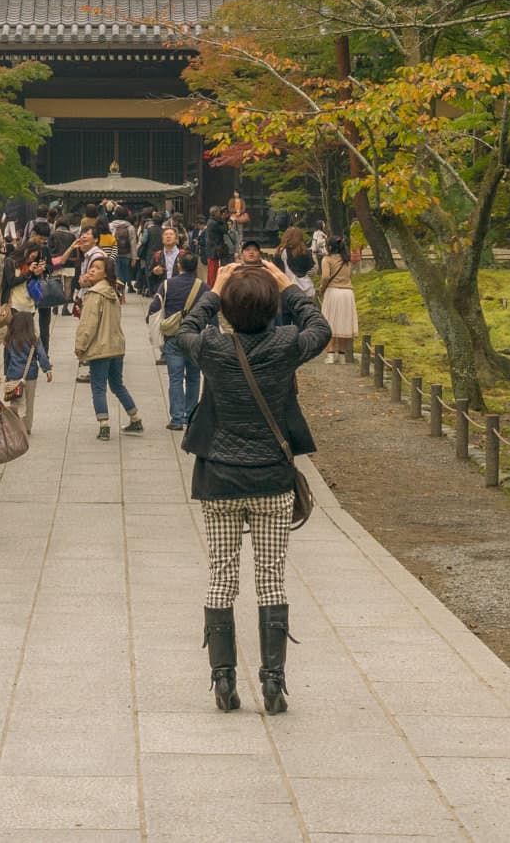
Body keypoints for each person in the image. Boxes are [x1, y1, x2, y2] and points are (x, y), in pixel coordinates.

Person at [176, 260, 329, 715]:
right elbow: (319, 326)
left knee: (221, 577)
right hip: (271, 479)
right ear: (273, 307)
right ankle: (273, 680)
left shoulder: (212, 349)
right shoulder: (285, 346)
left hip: (220, 479)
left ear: (226, 309)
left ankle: (223, 680)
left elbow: (184, 328)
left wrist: (214, 288)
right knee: (271, 578)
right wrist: (288, 286)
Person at [75, 256, 144, 440]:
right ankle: (135, 418)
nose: (92, 270)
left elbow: (88, 324)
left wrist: (80, 346)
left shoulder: (95, 294)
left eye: (97, 268)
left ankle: (104, 425)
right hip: (116, 346)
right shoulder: (112, 291)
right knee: (117, 384)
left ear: (105, 273)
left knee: (98, 387)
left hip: (100, 347)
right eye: (91, 267)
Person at [153, 250, 205, 430]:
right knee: (193, 377)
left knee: (175, 378)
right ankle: (190, 416)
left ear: (179, 265)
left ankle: (176, 418)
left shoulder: (168, 285)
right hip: (196, 336)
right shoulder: (204, 287)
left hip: (174, 336)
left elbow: (154, 307)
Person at [0, 308, 52, 432]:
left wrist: (6, 374)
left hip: (13, 373)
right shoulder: (33, 339)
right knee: (29, 402)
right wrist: (47, 370)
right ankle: (27, 427)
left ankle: (15, 425)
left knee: (15, 400)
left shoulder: (9, 339)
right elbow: (42, 354)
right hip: (30, 374)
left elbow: (6, 358)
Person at [316, 235, 357, 361]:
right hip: (347, 293)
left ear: (329, 247)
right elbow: (349, 275)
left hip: (332, 291)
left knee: (330, 322)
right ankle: (342, 356)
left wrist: (322, 288)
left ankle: (330, 354)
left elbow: (325, 277)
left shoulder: (327, 260)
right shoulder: (347, 260)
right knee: (343, 322)